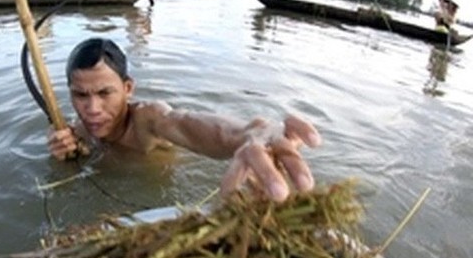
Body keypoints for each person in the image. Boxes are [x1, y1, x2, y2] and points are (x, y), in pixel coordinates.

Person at [47, 37, 322, 202]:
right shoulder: (79, 130)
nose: (92, 108)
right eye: (80, 95)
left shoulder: (147, 119)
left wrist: (249, 133)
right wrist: (67, 155)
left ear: (128, 88)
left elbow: (186, 124)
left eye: (105, 93)